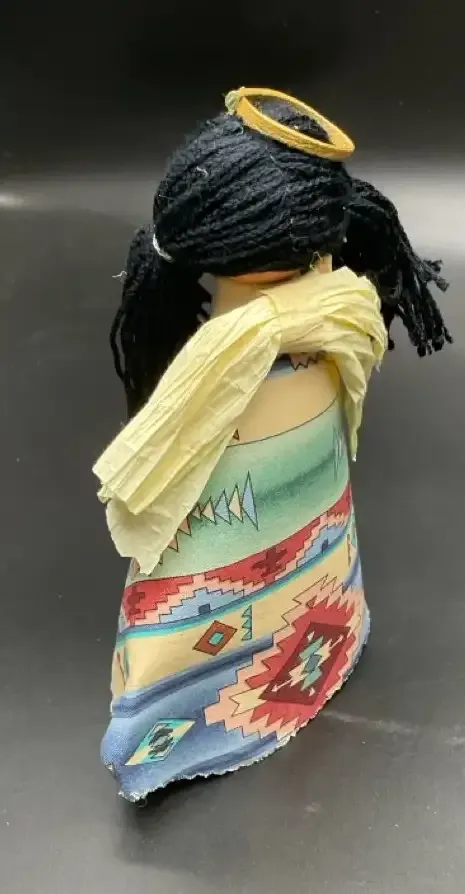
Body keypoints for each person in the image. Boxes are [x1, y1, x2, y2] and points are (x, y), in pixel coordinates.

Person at [93, 88, 451, 802]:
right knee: (206, 581)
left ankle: (307, 639)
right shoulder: (234, 360)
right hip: (246, 528)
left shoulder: (328, 315)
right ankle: (179, 716)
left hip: (315, 551)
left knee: (312, 536)